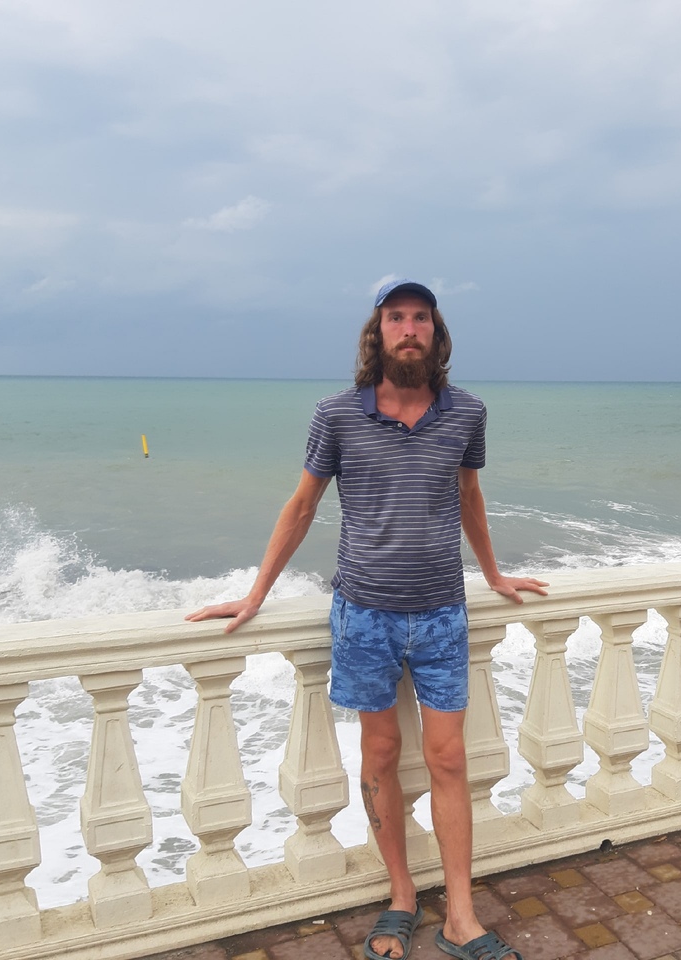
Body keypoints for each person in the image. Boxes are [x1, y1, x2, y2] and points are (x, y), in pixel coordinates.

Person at [187, 278, 548, 960]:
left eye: (421, 318)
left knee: (448, 759)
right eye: (396, 317)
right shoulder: (336, 415)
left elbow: (470, 496)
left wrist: (495, 574)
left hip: (441, 613)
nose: (409, 328)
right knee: (380, 754)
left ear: (436, 333)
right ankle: (402, 895)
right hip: (363, 617)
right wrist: (256, 593)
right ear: (377, 333)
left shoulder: (467, 413)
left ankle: (461, 916)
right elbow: (302, 506)